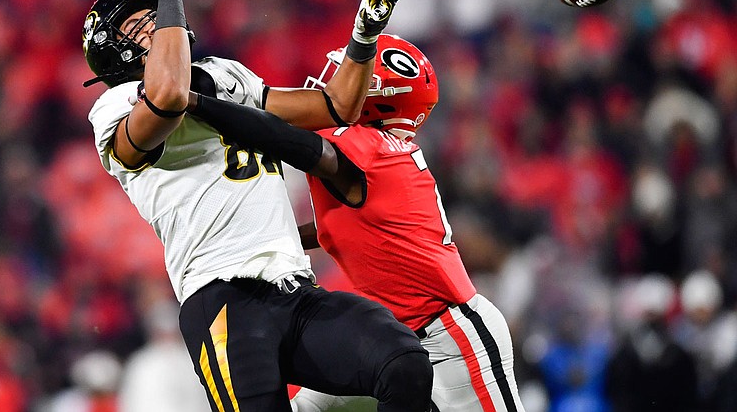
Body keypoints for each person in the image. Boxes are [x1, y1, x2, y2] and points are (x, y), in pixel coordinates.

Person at [82, 0, 433, 412]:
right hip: (221, 300)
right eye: (138, 26)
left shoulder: (224, 74)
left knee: (403, 361)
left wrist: (363, 37)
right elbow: (167, 96)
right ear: (111, 51)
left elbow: (334, 108)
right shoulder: (114, 107)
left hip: (295, 288)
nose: (156, 27)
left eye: (154, 17)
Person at [185, 34, 526, 411]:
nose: (336, 80)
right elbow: (346, 228)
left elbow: (283, 139)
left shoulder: (365, 145)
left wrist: (202, 104)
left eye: (358, 72)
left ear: (378, 95)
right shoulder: (374, 154)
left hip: (451, 337)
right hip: (394, 334)